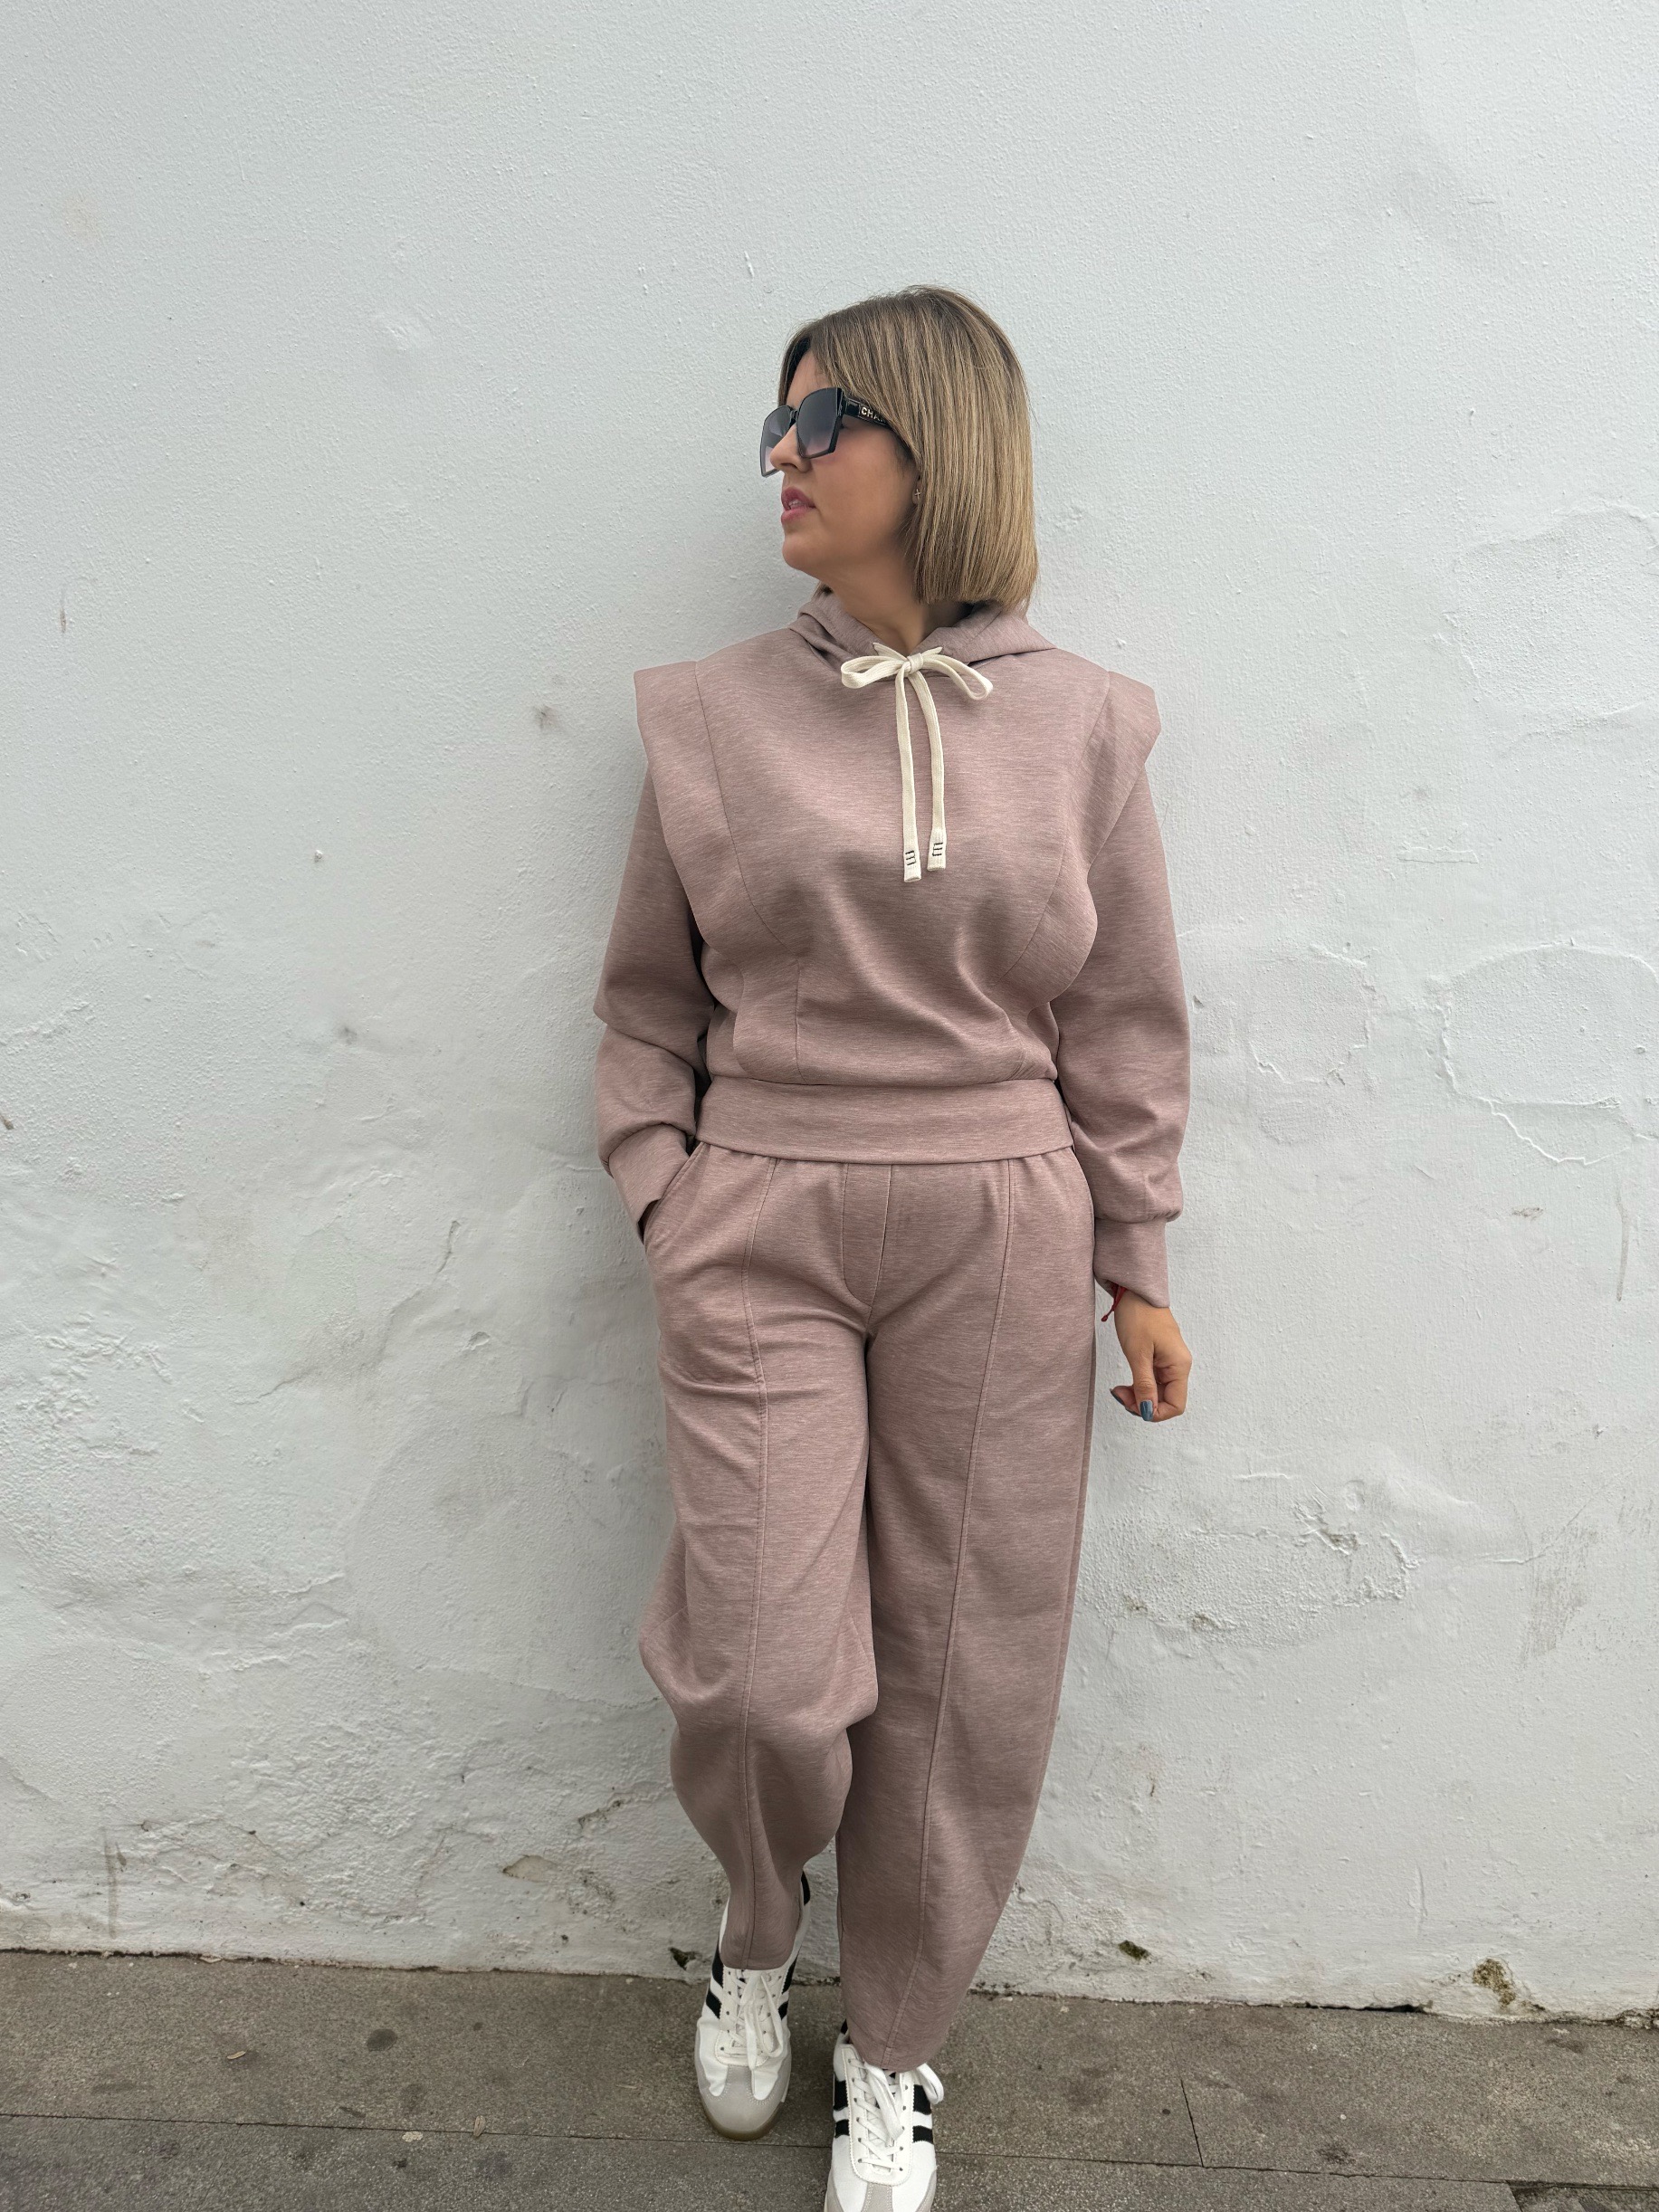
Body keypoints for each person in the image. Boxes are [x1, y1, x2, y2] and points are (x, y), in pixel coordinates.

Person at [590, 283, 1192, 2212]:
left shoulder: (1087, 723)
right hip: (760, 1209)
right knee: (764, 1676)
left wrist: (1136, 1259)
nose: (780, 457)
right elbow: (642, 1001)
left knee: (962, 1665)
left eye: (821, 419)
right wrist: (667, 1190)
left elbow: (1121, 1014)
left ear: (938, 443)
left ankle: (899, 2047)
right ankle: (752, 1923)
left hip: (1000, 1220)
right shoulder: (705, 717)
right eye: (771, 425)